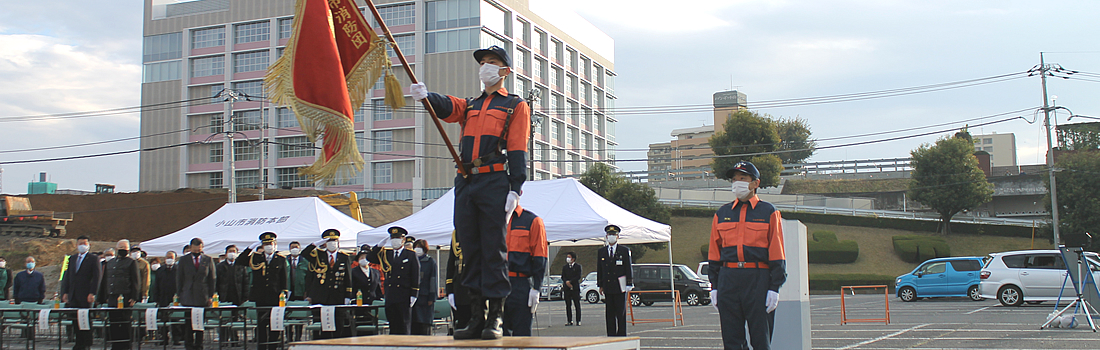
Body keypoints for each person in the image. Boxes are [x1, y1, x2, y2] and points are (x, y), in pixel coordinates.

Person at [410, 45, 531, 340]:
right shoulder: (472, 104)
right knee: (469, 250)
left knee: (494, 250)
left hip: (493, 181)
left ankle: (495, 318)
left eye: (492, 62)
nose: (485, 67)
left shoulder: (515, 105)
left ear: (505, 70)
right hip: (466, 181)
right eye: (483, 62)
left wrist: (516, 187)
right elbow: (449, 108)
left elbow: (517, 148)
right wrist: (427, 96)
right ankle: (476, 316)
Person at [708, 161, 786, 350]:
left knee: (761, 340)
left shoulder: (769, 212)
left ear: (755, 183)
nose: (737, 183)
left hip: (757, 280)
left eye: (742, 178)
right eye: (734, 179)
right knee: (732, 340)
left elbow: (777, 251)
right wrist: (715, 286)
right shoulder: (722, 213)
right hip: (729, 279)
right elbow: (714, 252)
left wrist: (774, 287)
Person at [502, 205, 547, 336]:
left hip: (520, 283)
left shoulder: (532, 221)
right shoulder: (492, 220)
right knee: (497, 335)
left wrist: (536, 288)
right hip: (497, 282)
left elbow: (540, 256)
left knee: (521, 334)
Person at [237, 232, 288, 350]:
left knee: (274, 323)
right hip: (260, 296)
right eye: (266, 244)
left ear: (275, 244)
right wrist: (250, 248)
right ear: (262, 246)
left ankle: (273, 346)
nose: (269, 246)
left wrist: (284, 293)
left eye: (271, 244)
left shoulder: (280, 259)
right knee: (261, 323)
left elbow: (284, 278)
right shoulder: (256, 257)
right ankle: (262, 346)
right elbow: (240, 261)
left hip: (275, 296)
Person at [367, 227, 419, 335]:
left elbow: (415, 275)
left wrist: (414, 294)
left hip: (404, 295)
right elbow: (370, 257)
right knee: (393, 326)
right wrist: (378, 246)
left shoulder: (410, 255)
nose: (395, 241)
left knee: (404, 326)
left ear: (403, 240)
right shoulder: (387, 254)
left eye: (398, 238)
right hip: (391, 295)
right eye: (393, 238)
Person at [301, 229, 353, 338]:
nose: (332, 243)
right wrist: (315, 244)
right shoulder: (318, 256)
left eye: (334, 241)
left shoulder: (344, 256)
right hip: (321, 296)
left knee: (338, 324)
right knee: (323, 324)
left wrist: (348, 295)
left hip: (337, 295)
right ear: (325, 243)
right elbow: (304, 253)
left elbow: (348, 277)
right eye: (329, 241)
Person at [60, 236, 102, 350]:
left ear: (88, 245)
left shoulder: (93, 258)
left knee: (85, 320)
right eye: (80, 243)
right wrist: (65, 292)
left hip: (86, 294)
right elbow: (68, 276)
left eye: (84, 243)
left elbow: (97, 277)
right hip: (73, 294)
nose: (82, 245)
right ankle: (78, 342)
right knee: (75, 320)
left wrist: (92, 292)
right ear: (76, 245)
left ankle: (86, 343)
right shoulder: (72, 258)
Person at [98, 240, 140, 350]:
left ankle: (126, 346)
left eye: (125, 247)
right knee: (114, 322)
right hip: (112, 296)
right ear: (116, 248)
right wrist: (103, 296)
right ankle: (115, 345)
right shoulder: (111, 263)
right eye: (120, 247)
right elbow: (105, 280)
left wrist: (134, 297)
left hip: (125, 297)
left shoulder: (131, 262)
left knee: (125, 322)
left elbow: (135, 280)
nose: (122, 249)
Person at [177, 238, 216, 350]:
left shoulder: (207, 260)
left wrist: (210, 296)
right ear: (190, 248)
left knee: (199, 322)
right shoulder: (184, 260)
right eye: (194, 249)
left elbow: (212, 279)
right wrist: (179, 294)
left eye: (199, 249)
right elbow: (179, 278)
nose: (197, 251)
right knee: (188, 322)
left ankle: (199, 345)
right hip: (188, 294)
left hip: (202, 295)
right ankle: (188, 345)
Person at [597, 225, 633, 337]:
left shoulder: (624, 251)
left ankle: (621, 334)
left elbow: (628, 267)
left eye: (614, 235)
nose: (611, 237)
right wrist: (600, 285)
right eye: (609, 235)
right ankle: (611, 334)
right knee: (609, 313)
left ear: (618, 237)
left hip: (620, 286)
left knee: (620, 313)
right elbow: (600, 269)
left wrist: (629, 283)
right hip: (608, 286)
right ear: (606, 236)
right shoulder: (602, 251)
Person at [216, 245, 248, 344]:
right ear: (226, 253)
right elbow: (216, 282)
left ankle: (235, 340)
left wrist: (245, 297)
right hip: (224, 296)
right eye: (230, 251)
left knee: (234, 319)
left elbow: (245, 282)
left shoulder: (241, 265)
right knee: (224, 319)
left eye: (234, 251)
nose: (232, 253)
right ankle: (224, 340)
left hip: (237, 296)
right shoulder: (220, 266)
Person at [444, 230, 470, 334]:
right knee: (459, 326)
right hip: (458, 289)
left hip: (474, 290)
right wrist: (450, 290)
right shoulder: (456, 234)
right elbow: (451, 265)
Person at [153, 251, 181, 345]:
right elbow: (156, 285)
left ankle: (176, 339)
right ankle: (164, 339)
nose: (169, 259)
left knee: (175, 320)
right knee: (163, 319)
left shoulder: (178, 269)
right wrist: (156, 298)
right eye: (168, 257)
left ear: (175, 259)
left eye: (171, 257)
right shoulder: (160, 270)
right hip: (163, 297)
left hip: (175, 298)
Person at [411, 239, 438, 335]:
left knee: (423, 325)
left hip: (425, 297)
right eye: (416, 247)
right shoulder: (411, 260)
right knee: (413, 323)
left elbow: (433, 280)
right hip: (413, 297)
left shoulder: (430, 262)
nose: (417, 249)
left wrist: (432, 297)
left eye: (420, 247)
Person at [561, 251, 583, 326]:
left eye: (569, 257)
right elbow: (563, 276)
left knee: (577, 304)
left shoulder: (578, 266)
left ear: (573, 259)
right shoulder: (565, 267)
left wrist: (571, 282)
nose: (567, 258)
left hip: (575, 288)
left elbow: (578, 276)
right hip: (567, 288)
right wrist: (566, 282)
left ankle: (578, 320)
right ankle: (569, 320)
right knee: (568, 305)